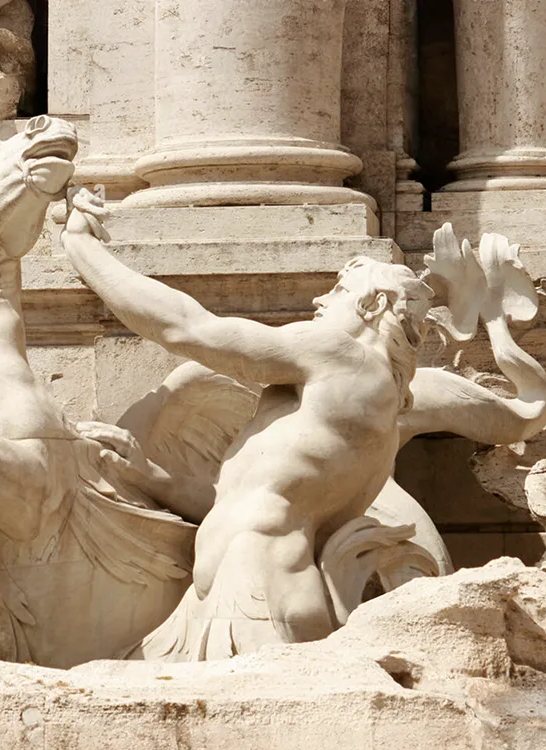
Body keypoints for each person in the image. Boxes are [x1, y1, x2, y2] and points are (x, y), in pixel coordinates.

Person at [61, 188, 435, 656]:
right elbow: (237, 503)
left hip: (260, 598)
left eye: (339, 290)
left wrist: (81, 248)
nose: (320, 299)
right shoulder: (342, 406)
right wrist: (149, 477)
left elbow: (188, 328)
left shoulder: (343, 355)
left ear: (373, 305)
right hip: (224, 601)